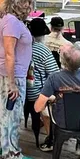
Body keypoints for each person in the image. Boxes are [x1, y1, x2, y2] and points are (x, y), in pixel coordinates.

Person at [0, 0, 36, 159]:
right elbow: (10, 54)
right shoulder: (11, 22)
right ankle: (12, 154)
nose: (30, 6)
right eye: (27, 2)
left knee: (4, 111)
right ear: (18, 2)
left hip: (10, 72)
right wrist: (12, 84)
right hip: (11, 75)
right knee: (12, 114)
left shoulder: (11, 19)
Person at [24, 18, 59, 152]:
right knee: (57, 96)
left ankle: (38, 120)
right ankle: (52, 136)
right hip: (37, 93)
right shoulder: (43, 50)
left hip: (24, 89)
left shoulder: (24, 47)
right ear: (44, 34)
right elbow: (54, 74)